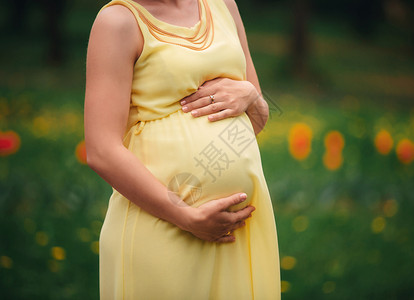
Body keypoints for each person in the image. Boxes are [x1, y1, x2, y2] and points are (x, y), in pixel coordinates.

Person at [84, 0, 280, 298]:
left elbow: (257, 120)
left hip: (237, 232)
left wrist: (251, 96)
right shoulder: (118, 22)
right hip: (162, 227)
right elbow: (101, 150)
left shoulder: (224, 5)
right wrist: (186, 217)